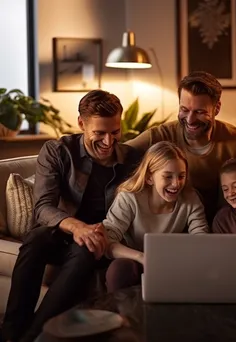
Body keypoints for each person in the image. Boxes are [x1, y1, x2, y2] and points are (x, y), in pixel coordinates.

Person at [2, 90, 141, 342]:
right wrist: (78, 227)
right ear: (81, 124)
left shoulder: (132, 159)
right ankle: (11, 333)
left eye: (115, 132)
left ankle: (34, 336)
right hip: (61, 231)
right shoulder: (58, 151)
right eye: (99, 133)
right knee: (35, 239)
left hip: (100, 240)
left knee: (86, 248)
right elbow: (43, 207)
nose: (109, 142)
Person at [125, 71, 236, 224]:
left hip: (221, 226)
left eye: (199, 112)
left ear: (216, 108)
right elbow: (117, 153)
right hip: (172, 226)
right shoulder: (159, 135)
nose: (190, 120)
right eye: (184, 110)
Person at [103, 141, 209, 293]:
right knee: (119, 269)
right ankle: (121, 315)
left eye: (181, 176)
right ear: (149, 178)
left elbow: (201, 238)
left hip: (174, 263)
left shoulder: (190, 199)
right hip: (135, 261)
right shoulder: (129, 198)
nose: (176, 184)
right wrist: (142, 257)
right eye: (168, 177)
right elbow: (108, 240)